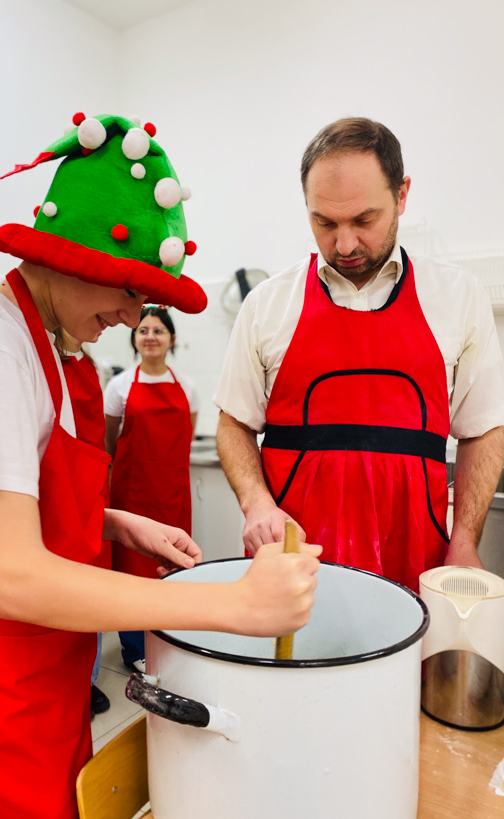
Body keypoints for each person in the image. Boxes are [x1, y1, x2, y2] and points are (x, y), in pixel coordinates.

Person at [0, 112, 320, 819]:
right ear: (66, 258)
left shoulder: (50, 347)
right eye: (126, 290)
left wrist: (116, 520)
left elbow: (14, 500)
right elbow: (13, 577)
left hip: (44, 672)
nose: (131, 316)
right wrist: (228, 604)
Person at [215, 117, 504, 594]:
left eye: (364, 220)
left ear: (402, 195)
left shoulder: (457, 297)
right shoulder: (268, 303)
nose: (344, 244)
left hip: (419, 557)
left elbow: (484, 431)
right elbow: (233, 423)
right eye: (324, 223)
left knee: (406, 668)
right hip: (295, 561)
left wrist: (466, 542)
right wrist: (256, 504)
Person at [105, 305, 198, 672]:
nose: (151, 336)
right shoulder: (119, 386)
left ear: (171, 339)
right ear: (134, 338)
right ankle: (134, 649)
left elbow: (185, 438)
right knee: (132, 571)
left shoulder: (187, 387)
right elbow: (110, 443)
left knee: (173, 565)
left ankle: (168, 640)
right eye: (143, 330)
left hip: (173, 492)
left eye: (158, 330)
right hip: (132, 494)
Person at [55, 327, 111, 718]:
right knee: (69, 591)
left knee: (96, 586)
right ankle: (71, 681)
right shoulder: (46, 366)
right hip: (64, 492)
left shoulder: (93, 366)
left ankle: (86, 680)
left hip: (94, 491)